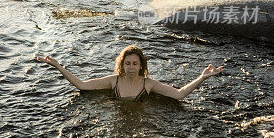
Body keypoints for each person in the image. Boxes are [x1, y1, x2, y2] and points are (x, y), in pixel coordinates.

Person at [37, 44, 224, 100]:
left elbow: (178, 94)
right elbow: (83, 85)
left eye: (135, 64)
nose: (131, 68)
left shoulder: (148, 84)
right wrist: (58, 66)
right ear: (122, 65)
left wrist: (202, 77)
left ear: (141, 65)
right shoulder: (114, 81)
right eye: (128, 64)